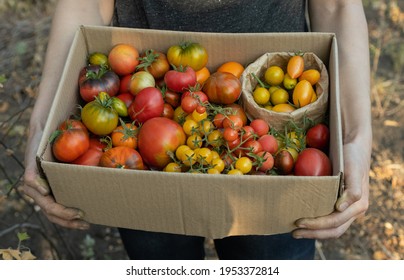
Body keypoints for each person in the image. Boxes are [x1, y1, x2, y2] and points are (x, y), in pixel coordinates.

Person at [22, 0, 372, 259]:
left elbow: (338, 5)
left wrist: (356, 137)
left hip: (274, 167)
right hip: (145, 153)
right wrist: (41, 128)